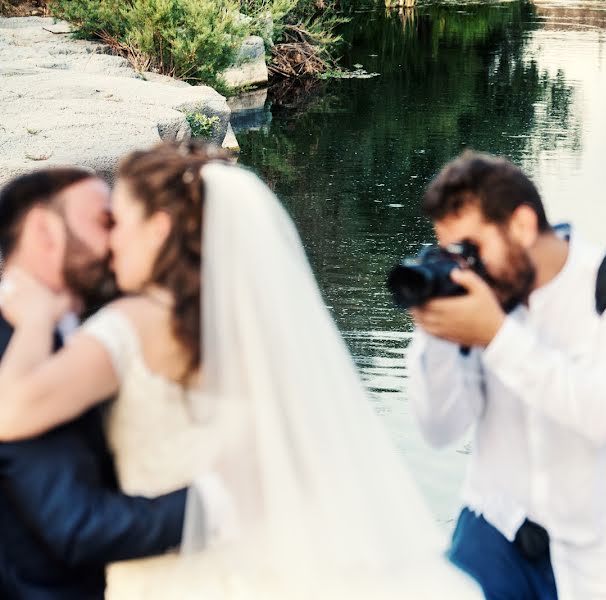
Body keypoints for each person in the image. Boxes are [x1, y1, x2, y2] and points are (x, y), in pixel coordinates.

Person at [0, 142, 481, 598]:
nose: (111, 242)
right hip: (248, 562)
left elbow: (8, 410)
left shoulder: (128, 323)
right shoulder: (242, 324)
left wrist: (36, 317)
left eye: (118, 221)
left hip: (167, 577)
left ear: (158, 228)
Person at [406, 151, 606, 600]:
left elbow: (602, 415)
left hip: (595, 555)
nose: (465, 268)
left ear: (522, 226)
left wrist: (496, 334)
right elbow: (439, 429)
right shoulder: (482, 297)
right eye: (452, 255)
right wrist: (436, 334)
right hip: (491, 532)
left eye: (471, 250)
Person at [0, 168, 189, 600]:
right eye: (104, 222)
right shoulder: (14, 352)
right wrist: (218, 503)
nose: (114, 240)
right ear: (44, 230)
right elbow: (76, 525)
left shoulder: (84, 332)